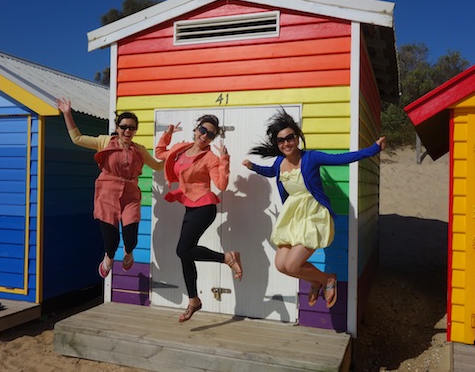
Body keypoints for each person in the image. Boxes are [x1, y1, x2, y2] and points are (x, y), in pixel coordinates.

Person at [242, 109, 385, 309]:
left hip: (313, 213)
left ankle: (327, 279)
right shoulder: (279, 162)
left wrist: (372, 150)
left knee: (293, 264)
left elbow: (342, 159)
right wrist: (254, 167)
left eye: (290, 138)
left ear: (297, 137)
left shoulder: (311, 157)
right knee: (281, 265)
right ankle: (316, 281)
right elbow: (270, 172)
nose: (286, 143)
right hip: (292, 217)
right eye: (281, 141)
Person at [56, 98, 163, 278]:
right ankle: (109, 256)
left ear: (136, 130)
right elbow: (77, 138)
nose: (127, 131)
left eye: (131, 127)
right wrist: (67, 114)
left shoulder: (140, 150)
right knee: (111, 242)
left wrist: (175, 154)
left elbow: (159, 166)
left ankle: (128, 253)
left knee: (130, 239)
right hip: (107, 194)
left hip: (130, 195)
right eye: (124, 127)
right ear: (117, 127)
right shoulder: (105, 141)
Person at [155, 115, 243, 323]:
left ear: (212, 138)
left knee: (182, 250)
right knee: (186, 254)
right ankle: (193, 300)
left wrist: (224, 160)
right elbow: (160, 154)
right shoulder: (180, 149)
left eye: (210, 134)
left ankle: (228, 258)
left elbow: (221, 185)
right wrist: (167, 134)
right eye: (202, 130)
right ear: (196, 130)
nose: (204, 136)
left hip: (204, 207)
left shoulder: (210, 158)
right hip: (190, 206)